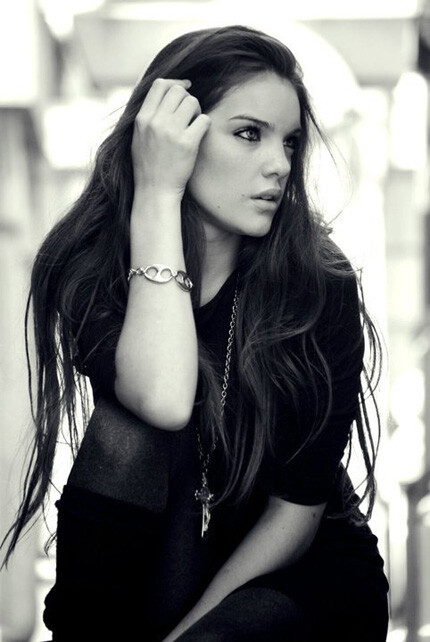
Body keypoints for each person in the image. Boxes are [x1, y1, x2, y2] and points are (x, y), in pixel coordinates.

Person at [2, 24, 389, 641]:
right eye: (249, 134)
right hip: (162, 552)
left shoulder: (316, 283)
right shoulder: (92, 265)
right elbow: (162, 399)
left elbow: (296, 512)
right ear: (173, 134)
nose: (279, 165)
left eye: (290, 142)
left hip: (291, 571)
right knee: (128, 428)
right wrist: (158, 192)